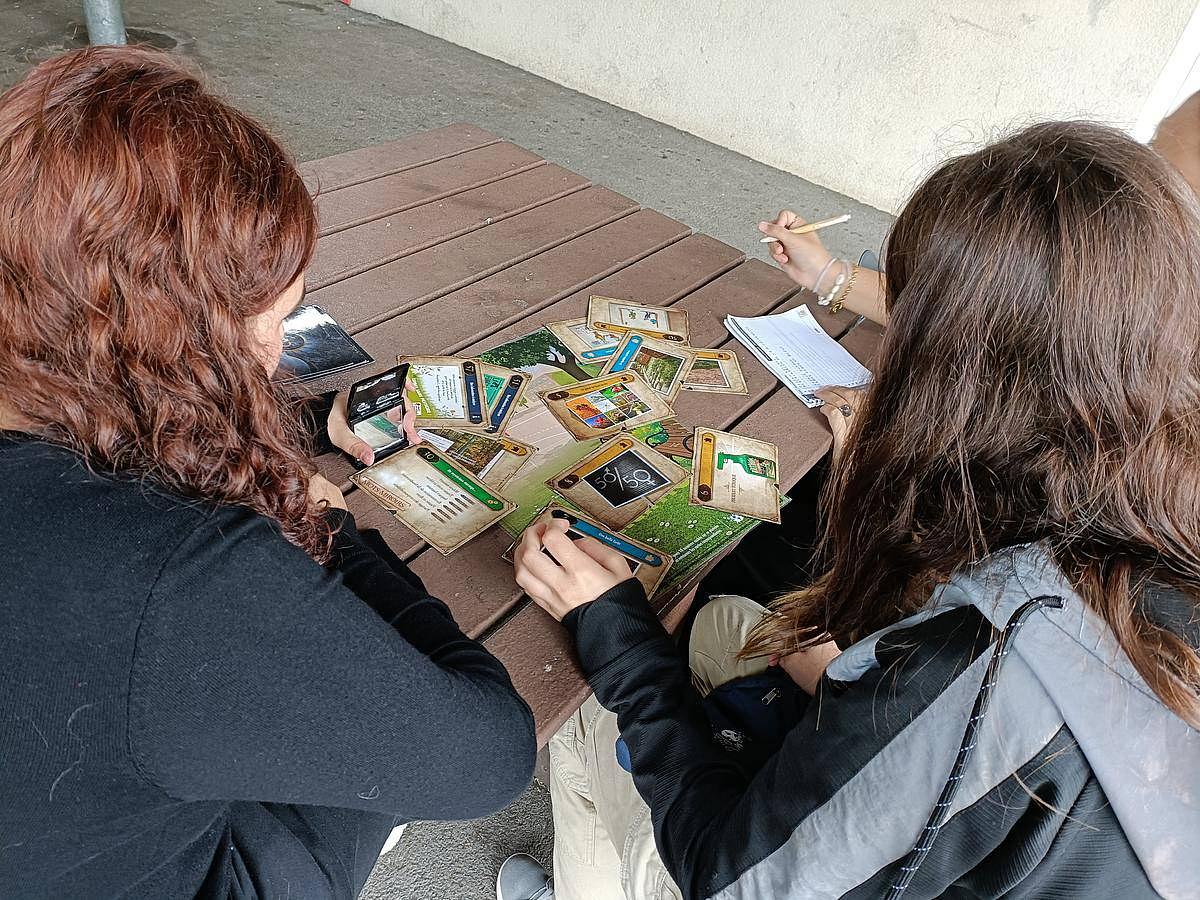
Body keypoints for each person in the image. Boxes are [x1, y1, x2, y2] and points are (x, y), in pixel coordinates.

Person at [507, 121, 1200, 899]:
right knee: (724, 624)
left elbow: (733, 881)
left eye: (910, 321)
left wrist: (617, 634)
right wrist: (857, 673)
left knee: (588, 705)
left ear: (958, 369)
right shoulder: (1151, 478)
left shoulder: (978, 669)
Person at [0, 47, 536, 899]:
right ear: (181, 344)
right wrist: (336, 534)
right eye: (276, 320)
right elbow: (488, 758)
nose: (280, 353)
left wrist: (298, 423)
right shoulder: (187, 579)